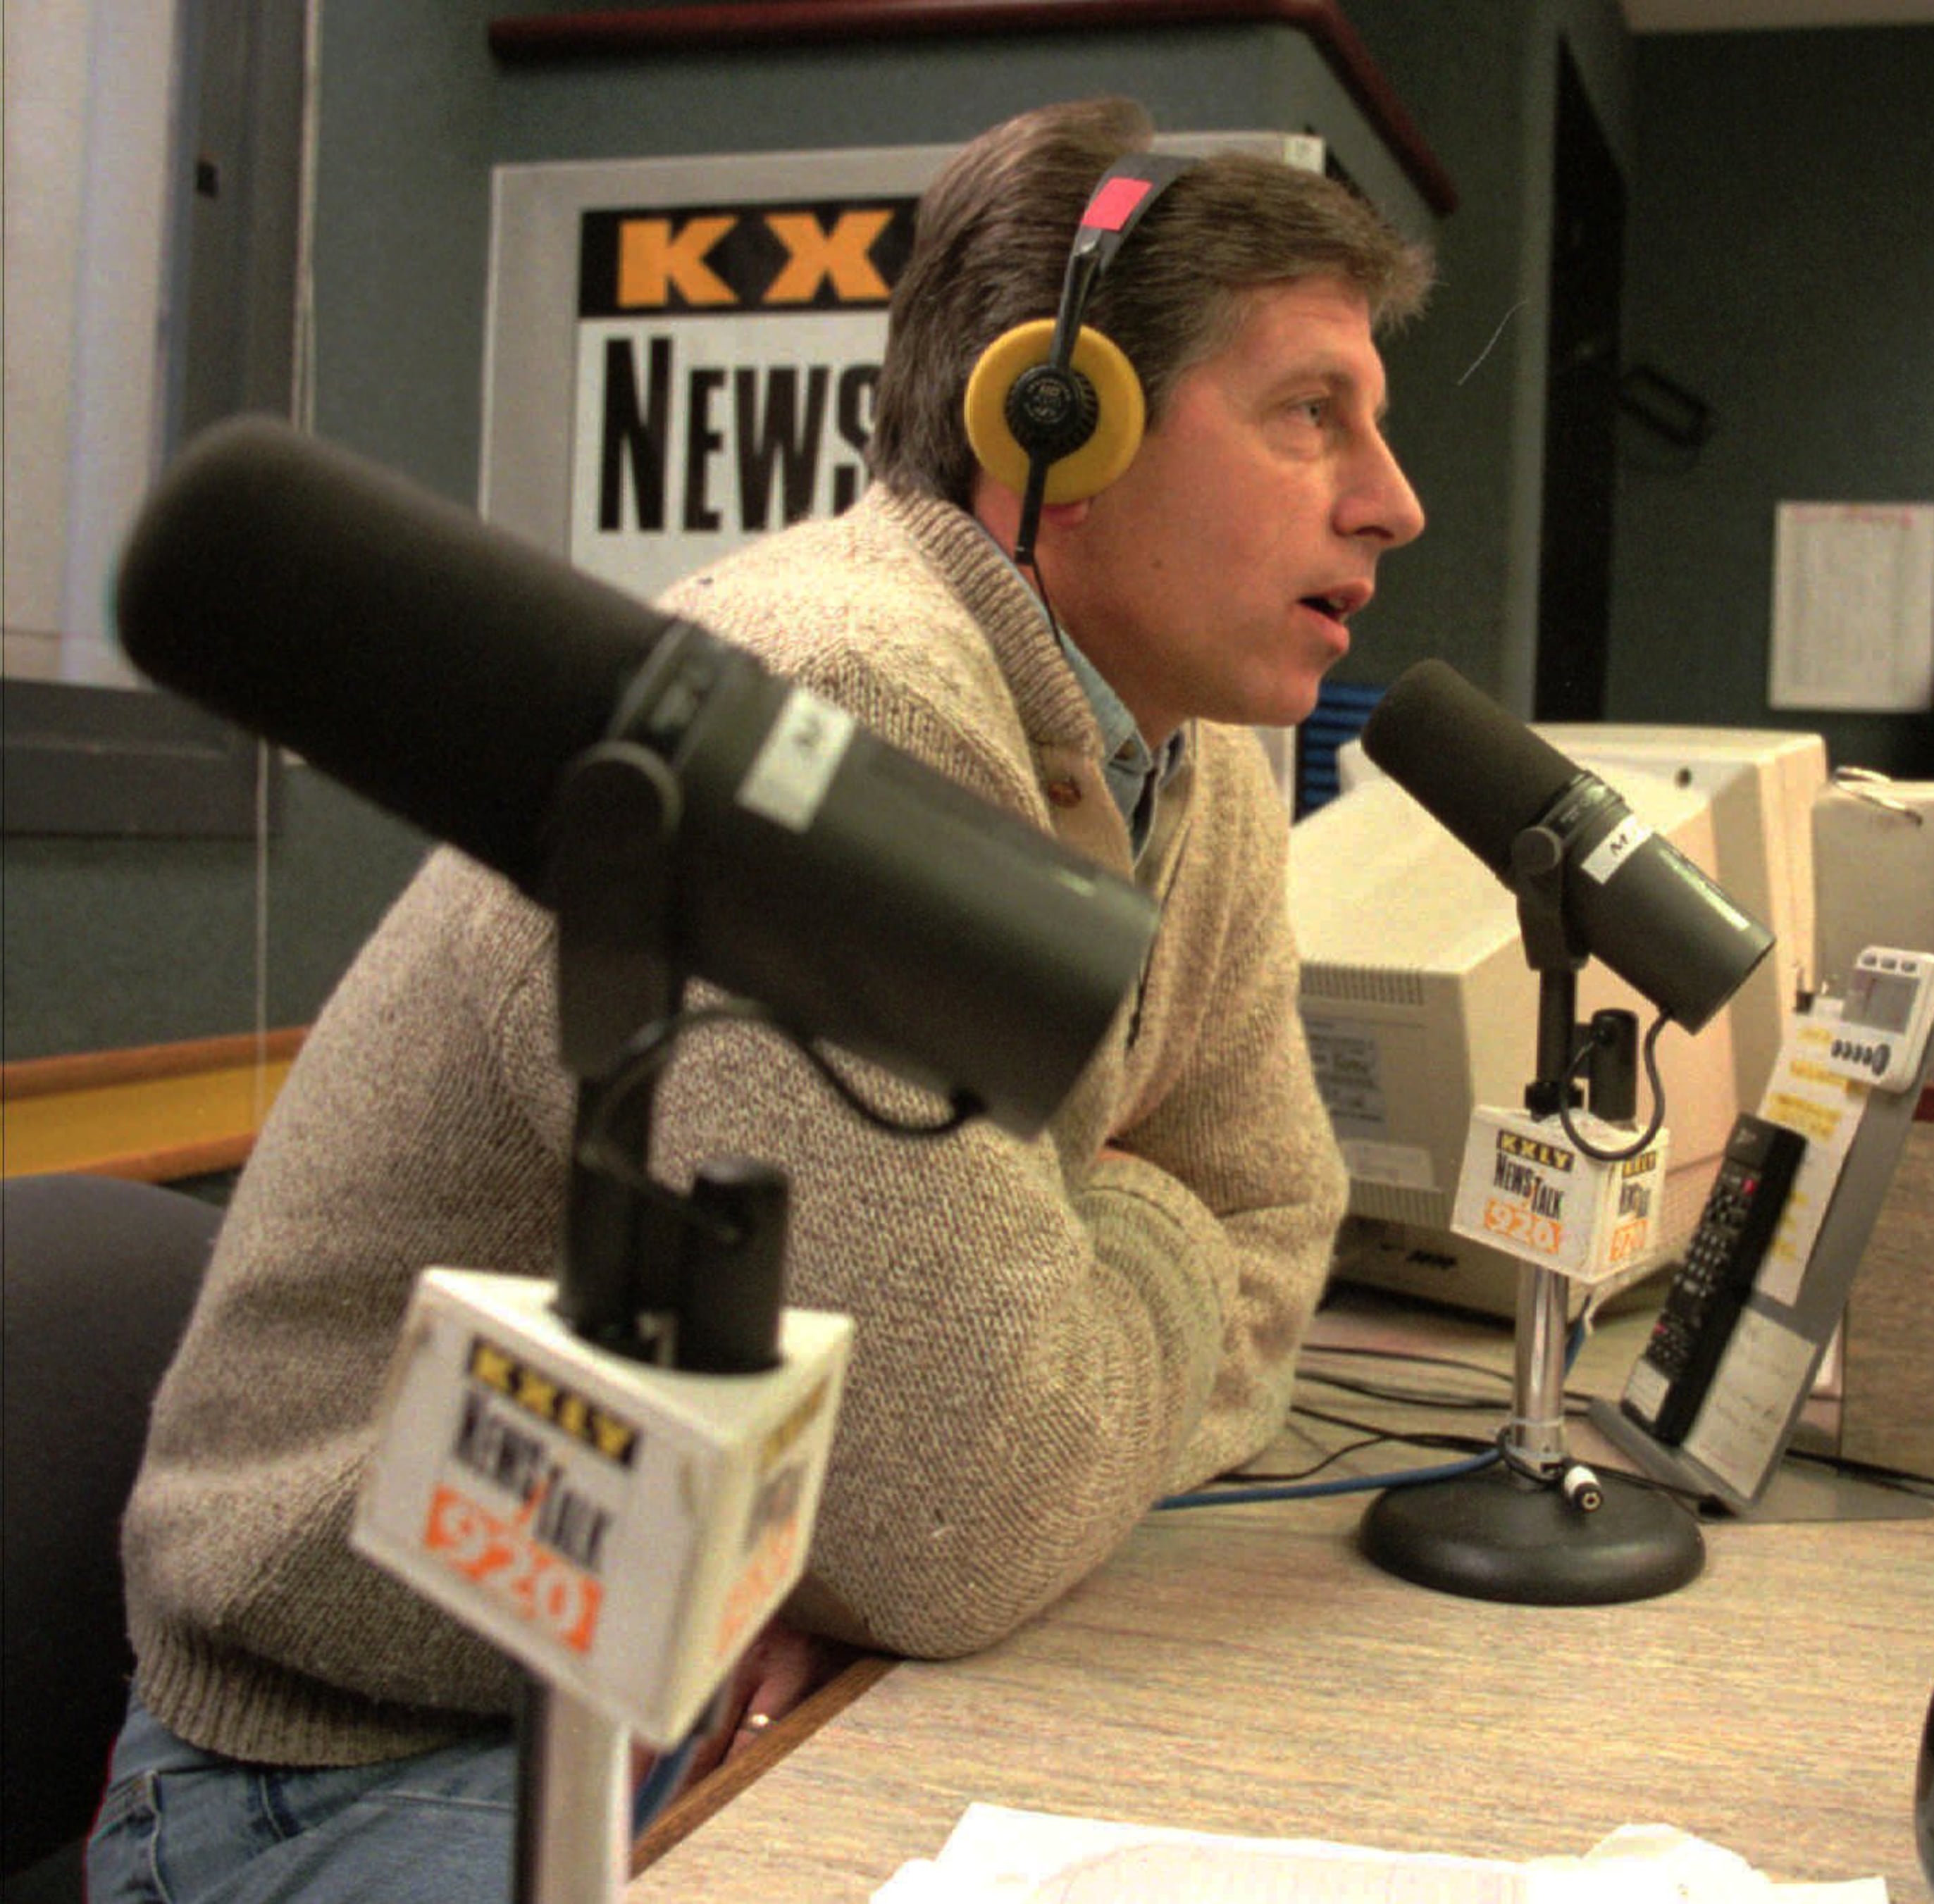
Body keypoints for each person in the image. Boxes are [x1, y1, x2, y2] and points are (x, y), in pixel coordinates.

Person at [91, 97, 1430, 1902]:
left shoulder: (1202, 756)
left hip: (704, 1690)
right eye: (1308, 413)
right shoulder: (841, 702)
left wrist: (895, 1498)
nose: (1391, 499)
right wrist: (1113, 1270)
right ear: (1057, 421)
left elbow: (1280, 1218)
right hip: (342, 1766)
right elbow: (965, 1510)